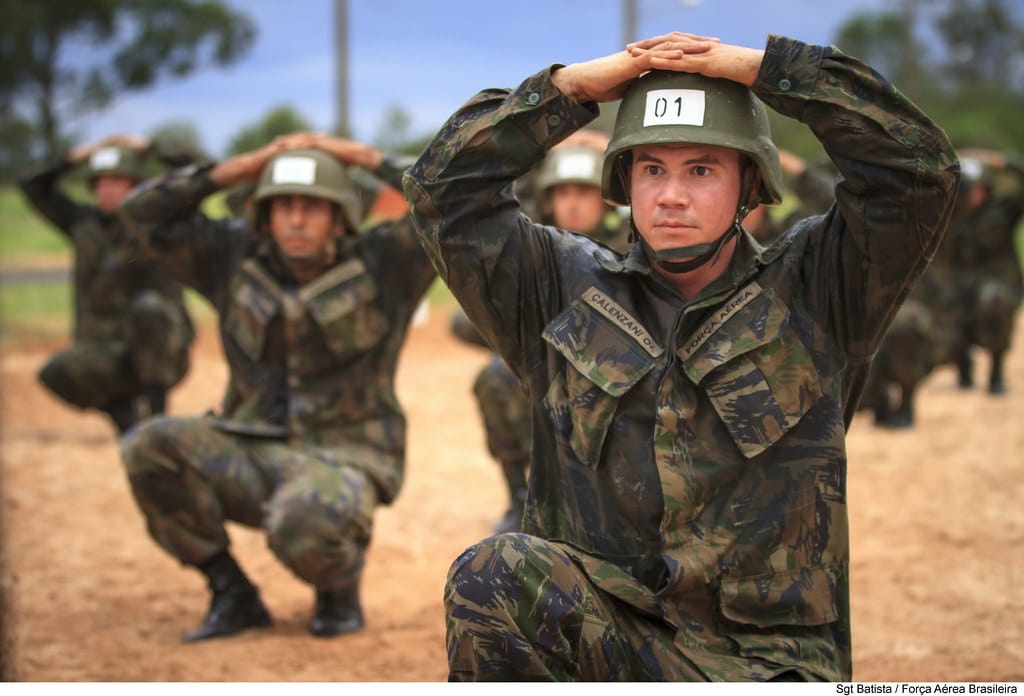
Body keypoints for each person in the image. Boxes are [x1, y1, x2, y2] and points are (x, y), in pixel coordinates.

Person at [404, 31, 958, 681]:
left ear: (749, 183)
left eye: (701, 169)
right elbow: (442, 190)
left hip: (766, 663)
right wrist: (568, 91)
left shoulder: (819, 289)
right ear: (627, 182)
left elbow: (918, 176)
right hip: (610, 637)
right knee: (493, 574)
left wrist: (769, 72)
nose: (671, 195)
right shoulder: (558, 289)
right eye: (652, 169)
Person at [117, 132, 436, 642]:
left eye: (312, 206)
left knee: (304, 519)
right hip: (250, 445)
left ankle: (338, 586)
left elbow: (450, 196)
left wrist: (363, 158)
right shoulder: (230, 257)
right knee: (148, 447)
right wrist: (241, 167)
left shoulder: (386, 262)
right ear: (264, 215)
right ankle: (231, 592)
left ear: (339, 216)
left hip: (345, 458)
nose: (295, 218)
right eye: (282, 205)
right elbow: (138, 214)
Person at [452, 132, 631, 535]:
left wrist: (615, 148)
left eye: (584, 191)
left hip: (617, 376)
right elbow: (502, 201)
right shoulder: (533, 247)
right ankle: (521, 498)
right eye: (561, 191)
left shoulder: (630, 242)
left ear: (607, 198)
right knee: (497, 376)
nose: (571, 202)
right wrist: (543, 151)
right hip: (546, 368)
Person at [17, 133, 196, 434]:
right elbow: (32, 185)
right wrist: (76, 156)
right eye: (101, 181)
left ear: (135, 184)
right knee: (55, 373)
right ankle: (123, 415)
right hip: (105, 349)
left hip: (160, 350)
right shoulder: (81, 222)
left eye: (118, 180)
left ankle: (156, 418)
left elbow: (199, 176)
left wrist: (152, 147)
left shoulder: (157, 220)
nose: (108, 189)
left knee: (148, 311)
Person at [949, 149, 1024, 395]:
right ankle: (962, 367)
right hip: (961, 287)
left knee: (993, 302)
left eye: (978, 188)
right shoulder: (950, 216)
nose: (973, 195)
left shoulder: (1003, 212)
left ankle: (996, 371)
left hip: (1000, 286)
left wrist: (1004, 162)